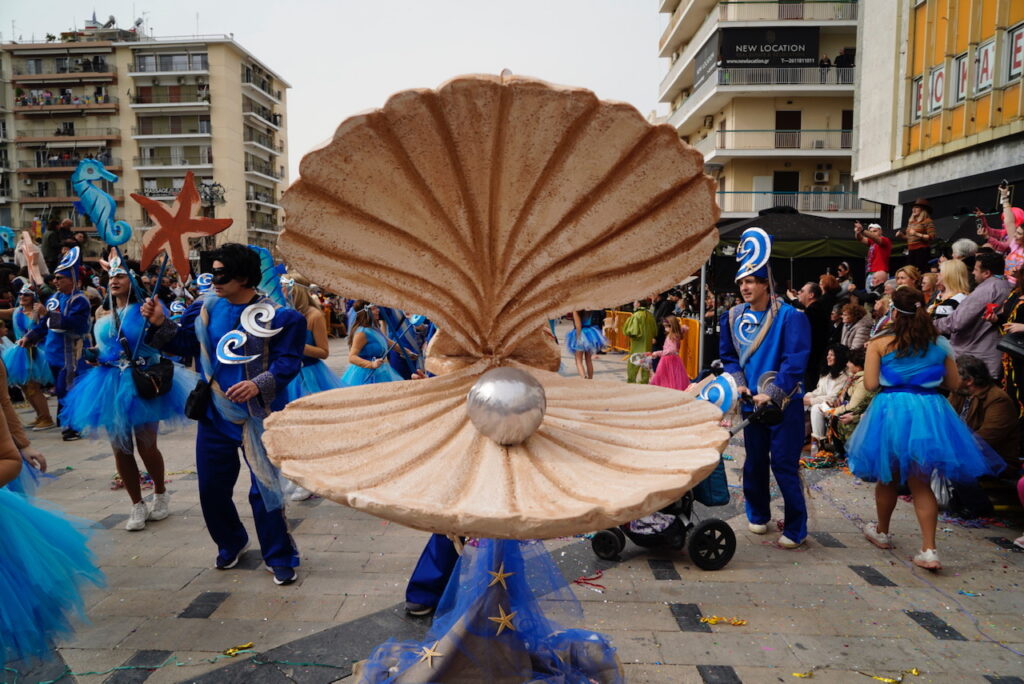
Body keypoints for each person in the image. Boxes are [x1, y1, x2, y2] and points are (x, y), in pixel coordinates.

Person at [141, 243, 306, 585]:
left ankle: (278, 555)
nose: (214, 279)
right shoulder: (204, 308)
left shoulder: (282, 316)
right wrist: (160, 323)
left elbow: (289, 361)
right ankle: (231, 541)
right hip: (214, 414)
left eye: (221, 273)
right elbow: (185, 344)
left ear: (243, 276)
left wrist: (259, 384)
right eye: (212, 272)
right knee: (212, 489)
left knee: (265, 489)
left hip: (259, 415)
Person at [847, 287, 1006, 570]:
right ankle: (929, 549)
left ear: (894, 312)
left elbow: (870, 384)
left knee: (888, 476)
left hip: (892, 410)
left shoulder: (880, 343)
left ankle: (882, 532)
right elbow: (955, 384)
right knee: (921, 482)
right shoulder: (939, 343)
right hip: (929, 410)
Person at [60, 258, 197, 531]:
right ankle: (136, 504)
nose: (114, 280)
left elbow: (166, 343)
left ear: (132, 281)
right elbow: (102, 349)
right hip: (109, 384)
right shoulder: (102, 314)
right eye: (110, 276)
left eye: (120, 275)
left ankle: (160, 493)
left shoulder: (146, 309)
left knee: (147, 447)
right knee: (120, 449)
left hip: (143, 382)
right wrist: (94, 356)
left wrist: (158, 321)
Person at [720, 228, 811, 548]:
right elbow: (729, 358)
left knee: (784, 466)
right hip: (751, 404)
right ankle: (758, 513)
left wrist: (771, 394)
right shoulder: (730, 318)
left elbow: (795, 363)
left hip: (784, 405)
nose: (744, 286)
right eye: (741, 281)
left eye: (751, 280)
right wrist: (741, 387)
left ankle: (797, 528)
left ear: (765, 283)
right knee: (754, 463)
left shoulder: (791, 317)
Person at [280, 281, 342, 502]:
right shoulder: (285, 315)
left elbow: (324, 351)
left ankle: (310, 479)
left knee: (308, 430)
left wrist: (296, 344)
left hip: (311, 376)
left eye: (286, 290)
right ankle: (296, 476)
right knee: (290, 430)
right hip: (289, 376)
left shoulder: (314, 316)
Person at [24, 248, 90, 442]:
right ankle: (68, 424)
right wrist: (30, 336)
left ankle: (73, 426)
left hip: (71, 353)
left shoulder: (80, 300)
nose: (55, 282)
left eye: (60, 278)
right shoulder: (54, 298)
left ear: (71, 279)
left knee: (66, 388)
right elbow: (45, 325)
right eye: (54, 278)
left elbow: (75, 325)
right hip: (53, 353)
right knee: (61, 389)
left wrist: (48, 315)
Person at [935, 251, 1013, 379]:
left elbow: (957, 322)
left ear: (986, 273)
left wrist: (929, 325)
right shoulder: (1008, 286)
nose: (972, 273)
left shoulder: (986, 289)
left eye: (976, 270)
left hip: (975, 361)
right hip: (990, 358)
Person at [1, 287, 54, 429]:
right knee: (25, 387)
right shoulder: (16, 311)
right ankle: (39, 416)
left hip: (34, 352)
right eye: (21, 294)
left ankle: (46, 418)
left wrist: (40, 313)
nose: (23, 297)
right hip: (18, 353)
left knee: (33, 387)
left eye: (27, 295)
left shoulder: (37, 312)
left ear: (33, 297)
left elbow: (45, 328)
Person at [341, 301, 404, 386]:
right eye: (374, 308)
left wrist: (406, 352)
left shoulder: (374, 328)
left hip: (381, 370)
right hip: (366, 373)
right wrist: (371, 364)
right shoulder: (361, 333)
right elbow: (352, 357)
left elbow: (388, 342)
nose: (378, 310)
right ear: (366, 312)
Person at [803, 344, 850, 446]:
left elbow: (833, 398)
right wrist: (808, 396)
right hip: (825, 403)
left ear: (839, 357)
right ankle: (801, 436)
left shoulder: (846, 376)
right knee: (800, 402)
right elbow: (819, 391)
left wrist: (810, 401)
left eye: (832, 355)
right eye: (828, 354)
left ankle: (819, 445)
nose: (828, 357)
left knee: (816, 408)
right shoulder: (827, 373)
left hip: (836, 407)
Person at [977, 186, 1024, 283]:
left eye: (1019, 233)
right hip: (1004, 282)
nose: (1014, 235)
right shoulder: (1015, 244)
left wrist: (1019, 275)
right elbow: (1006, 223)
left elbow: (1002, 246)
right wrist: (1004, 195)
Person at [649, 316, 689, 390]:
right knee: (674, 377)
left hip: (668, 360)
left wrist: (658, 353)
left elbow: (672, 349)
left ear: (671, 326)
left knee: (665, 376)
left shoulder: (671, 336)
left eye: (666, 326)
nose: (665, 328)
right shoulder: (676, 334)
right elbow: (685, 327)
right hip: (674, 359)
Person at [566, 309, 607, 380]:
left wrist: (578, 338)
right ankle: (590, 379)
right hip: (590, 334)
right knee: (588, 360)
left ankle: (584, 378)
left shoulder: (576, 309)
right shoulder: (589, 308)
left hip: (580, 334)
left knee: (578, 360)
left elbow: (578, 325)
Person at [897, 199, 937, 271]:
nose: (914, 209)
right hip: (911, 250)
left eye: (917, 207)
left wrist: (916, 234)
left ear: (923, 210)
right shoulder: (911, 222)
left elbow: (932, 237)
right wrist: (901, 235)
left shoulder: (927, 221)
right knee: (910, 271)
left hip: (921, 250)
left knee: (920, 271)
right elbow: (910, 238)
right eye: (913, 207)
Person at [623, 300, 657, 384]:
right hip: (647, 343)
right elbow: (654, 330)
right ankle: (644, 381)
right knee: (646, 363)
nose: (634, 303)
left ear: (638, 304)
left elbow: (632, 331)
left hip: (637, 343)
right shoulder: (650, 315)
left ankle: (631, 381)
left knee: (634, 362)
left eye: (635, 302)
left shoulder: (636, 315)